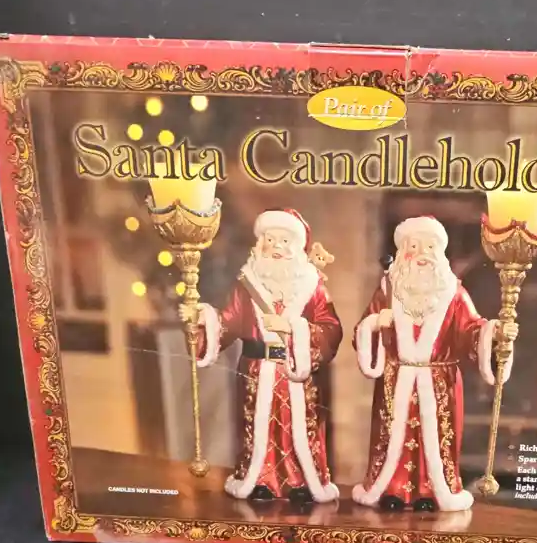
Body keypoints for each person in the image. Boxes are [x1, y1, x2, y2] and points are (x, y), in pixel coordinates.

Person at [352, 216, 518, 512]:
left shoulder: (454, 294)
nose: (422, 254)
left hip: (439, 381)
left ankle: (430, 491)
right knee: (393, 435)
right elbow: (361, 332)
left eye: (429, 247)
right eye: (414, 246)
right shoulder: (388, 291)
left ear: (440, 252)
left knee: (437, 439)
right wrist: (376, 322)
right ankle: (391, 488)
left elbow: (471, 329)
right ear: (402, 252)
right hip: (396, 378)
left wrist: (495, 334)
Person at [187, 208, 342, 504]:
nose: (276, 247)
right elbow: (229, 322)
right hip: (256, 371)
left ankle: (301, 481)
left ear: (296, 247)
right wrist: (204, 321)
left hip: (297, 375)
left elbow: (331, 328)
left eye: (284, 241)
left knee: (299, 428)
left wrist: (293, 328)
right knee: (259, 429)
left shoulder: (313, 288)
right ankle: (260, 479)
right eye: (270, 240)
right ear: (260, 244)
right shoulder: (247, 286)